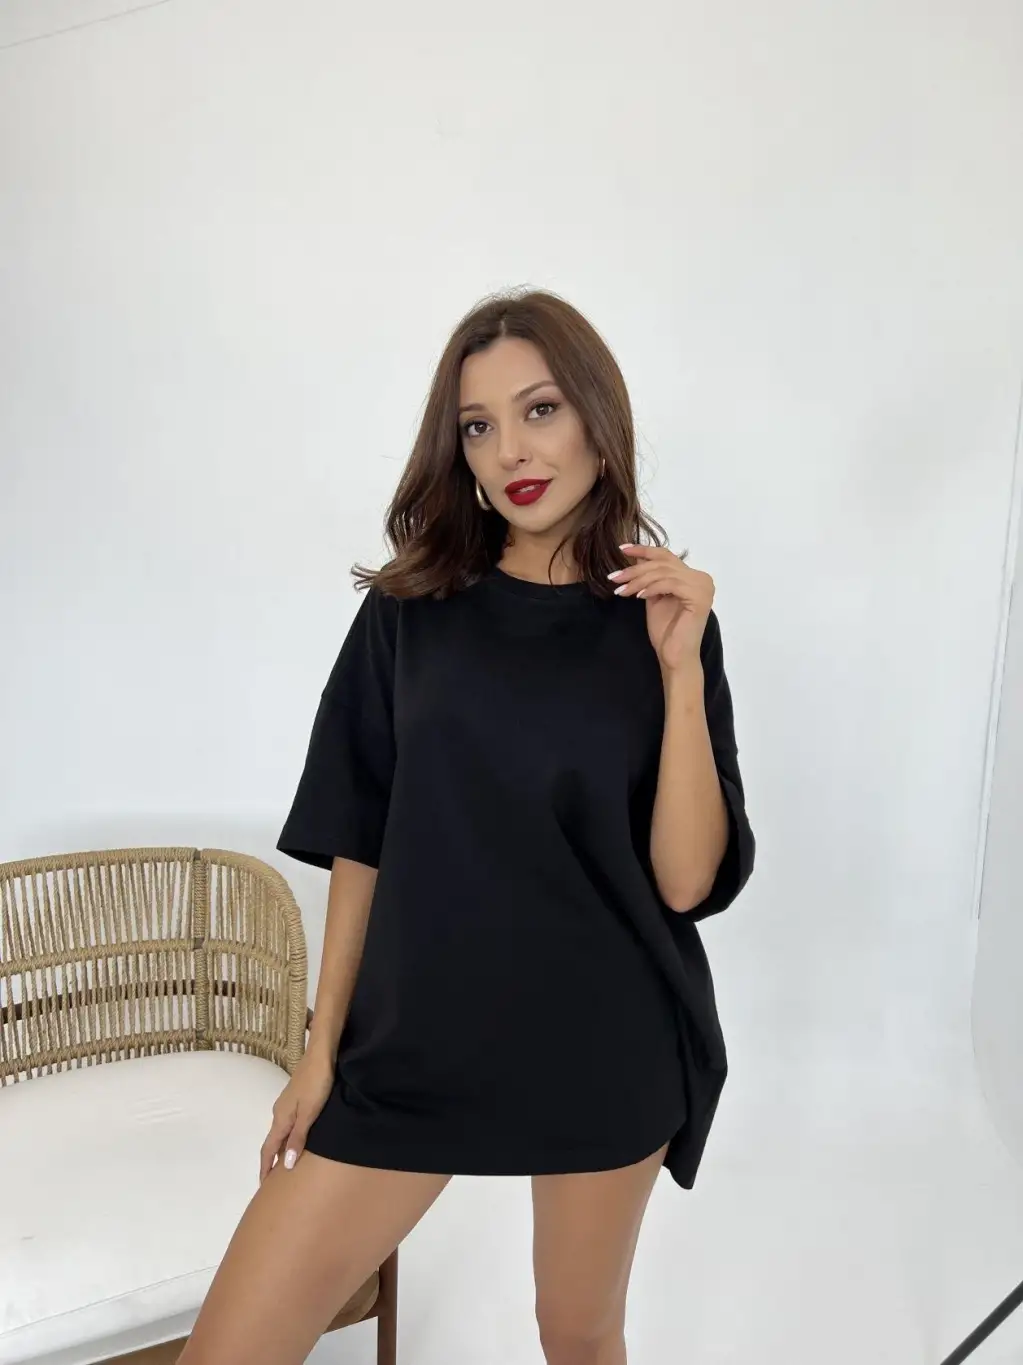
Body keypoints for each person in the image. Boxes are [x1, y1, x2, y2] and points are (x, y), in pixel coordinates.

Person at [178, 290, 755, 1365]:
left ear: (597, 417)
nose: (510, 451)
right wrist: (320, 1053)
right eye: (478, 426)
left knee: (578, 1334)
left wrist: (680, 671)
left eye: (539, 410)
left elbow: (684, 884)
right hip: (416, 1042)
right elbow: (360, 835)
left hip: (602, 1038)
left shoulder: (662, 618)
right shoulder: (412, 610)